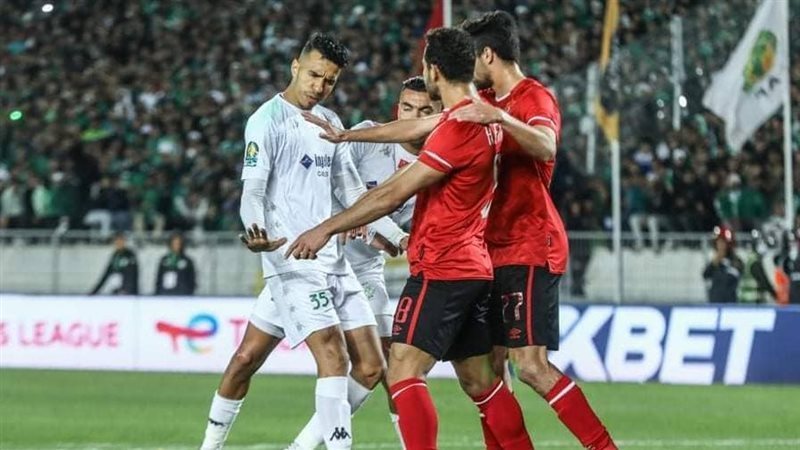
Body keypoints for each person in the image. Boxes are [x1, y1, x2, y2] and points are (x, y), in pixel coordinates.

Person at [305, 11, 617, 450]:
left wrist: (500, 117)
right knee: (484, 378)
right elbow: (423, 126)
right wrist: (349, 137)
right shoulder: (475, 107)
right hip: (484, 253)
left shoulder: (527, 100)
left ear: (484, 55)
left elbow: (545, 145)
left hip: (514, 245)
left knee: (500, 367)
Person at [292, 27, 534, 450]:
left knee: (402, 371)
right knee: (481, 382)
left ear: (433, 70)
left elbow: (391, 194)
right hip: (474, 266)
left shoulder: (457, 130)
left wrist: (325, 227)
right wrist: (347, 135)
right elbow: (411, 128)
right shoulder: (479, 115)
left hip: (442, 267)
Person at [199, 33, 408, 450]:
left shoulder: (329, 122)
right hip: (290, 260)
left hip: (333, 261)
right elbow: (252, 192)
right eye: (314, 75)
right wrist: (255, 230)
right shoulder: (266, 121)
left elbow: (353, 193)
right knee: (334, 357)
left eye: (329, 80)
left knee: (369, 365)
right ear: (295, 66)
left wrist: (398, 236)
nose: (319, 86)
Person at [289, 76, 441, 450]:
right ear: (398, 110)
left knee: (386, 367)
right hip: (317, 260)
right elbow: (331, 182)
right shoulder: (368, 136)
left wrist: (392, 238)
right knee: (249, 357)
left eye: (425, 110)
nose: (414, 116)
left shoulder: (439, 163)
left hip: (365, 269)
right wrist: (347, 219)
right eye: (408, 108)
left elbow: (409, 226)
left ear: (438, 114)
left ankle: (302, 446)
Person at [703, 225, 744, 303]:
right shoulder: (714, 262)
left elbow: (738, 274)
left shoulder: (736, 261)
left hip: (730, 301)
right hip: (715, 301)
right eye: (718, 243)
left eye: (722, 242)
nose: (720, 246)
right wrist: (714, 263)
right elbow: (705, 275)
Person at [737, 229, 776, 304]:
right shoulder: (755, 263)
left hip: (746, 300)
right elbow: (764, 282)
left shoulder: (750, 259)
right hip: (752, 301)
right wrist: (775, 295)